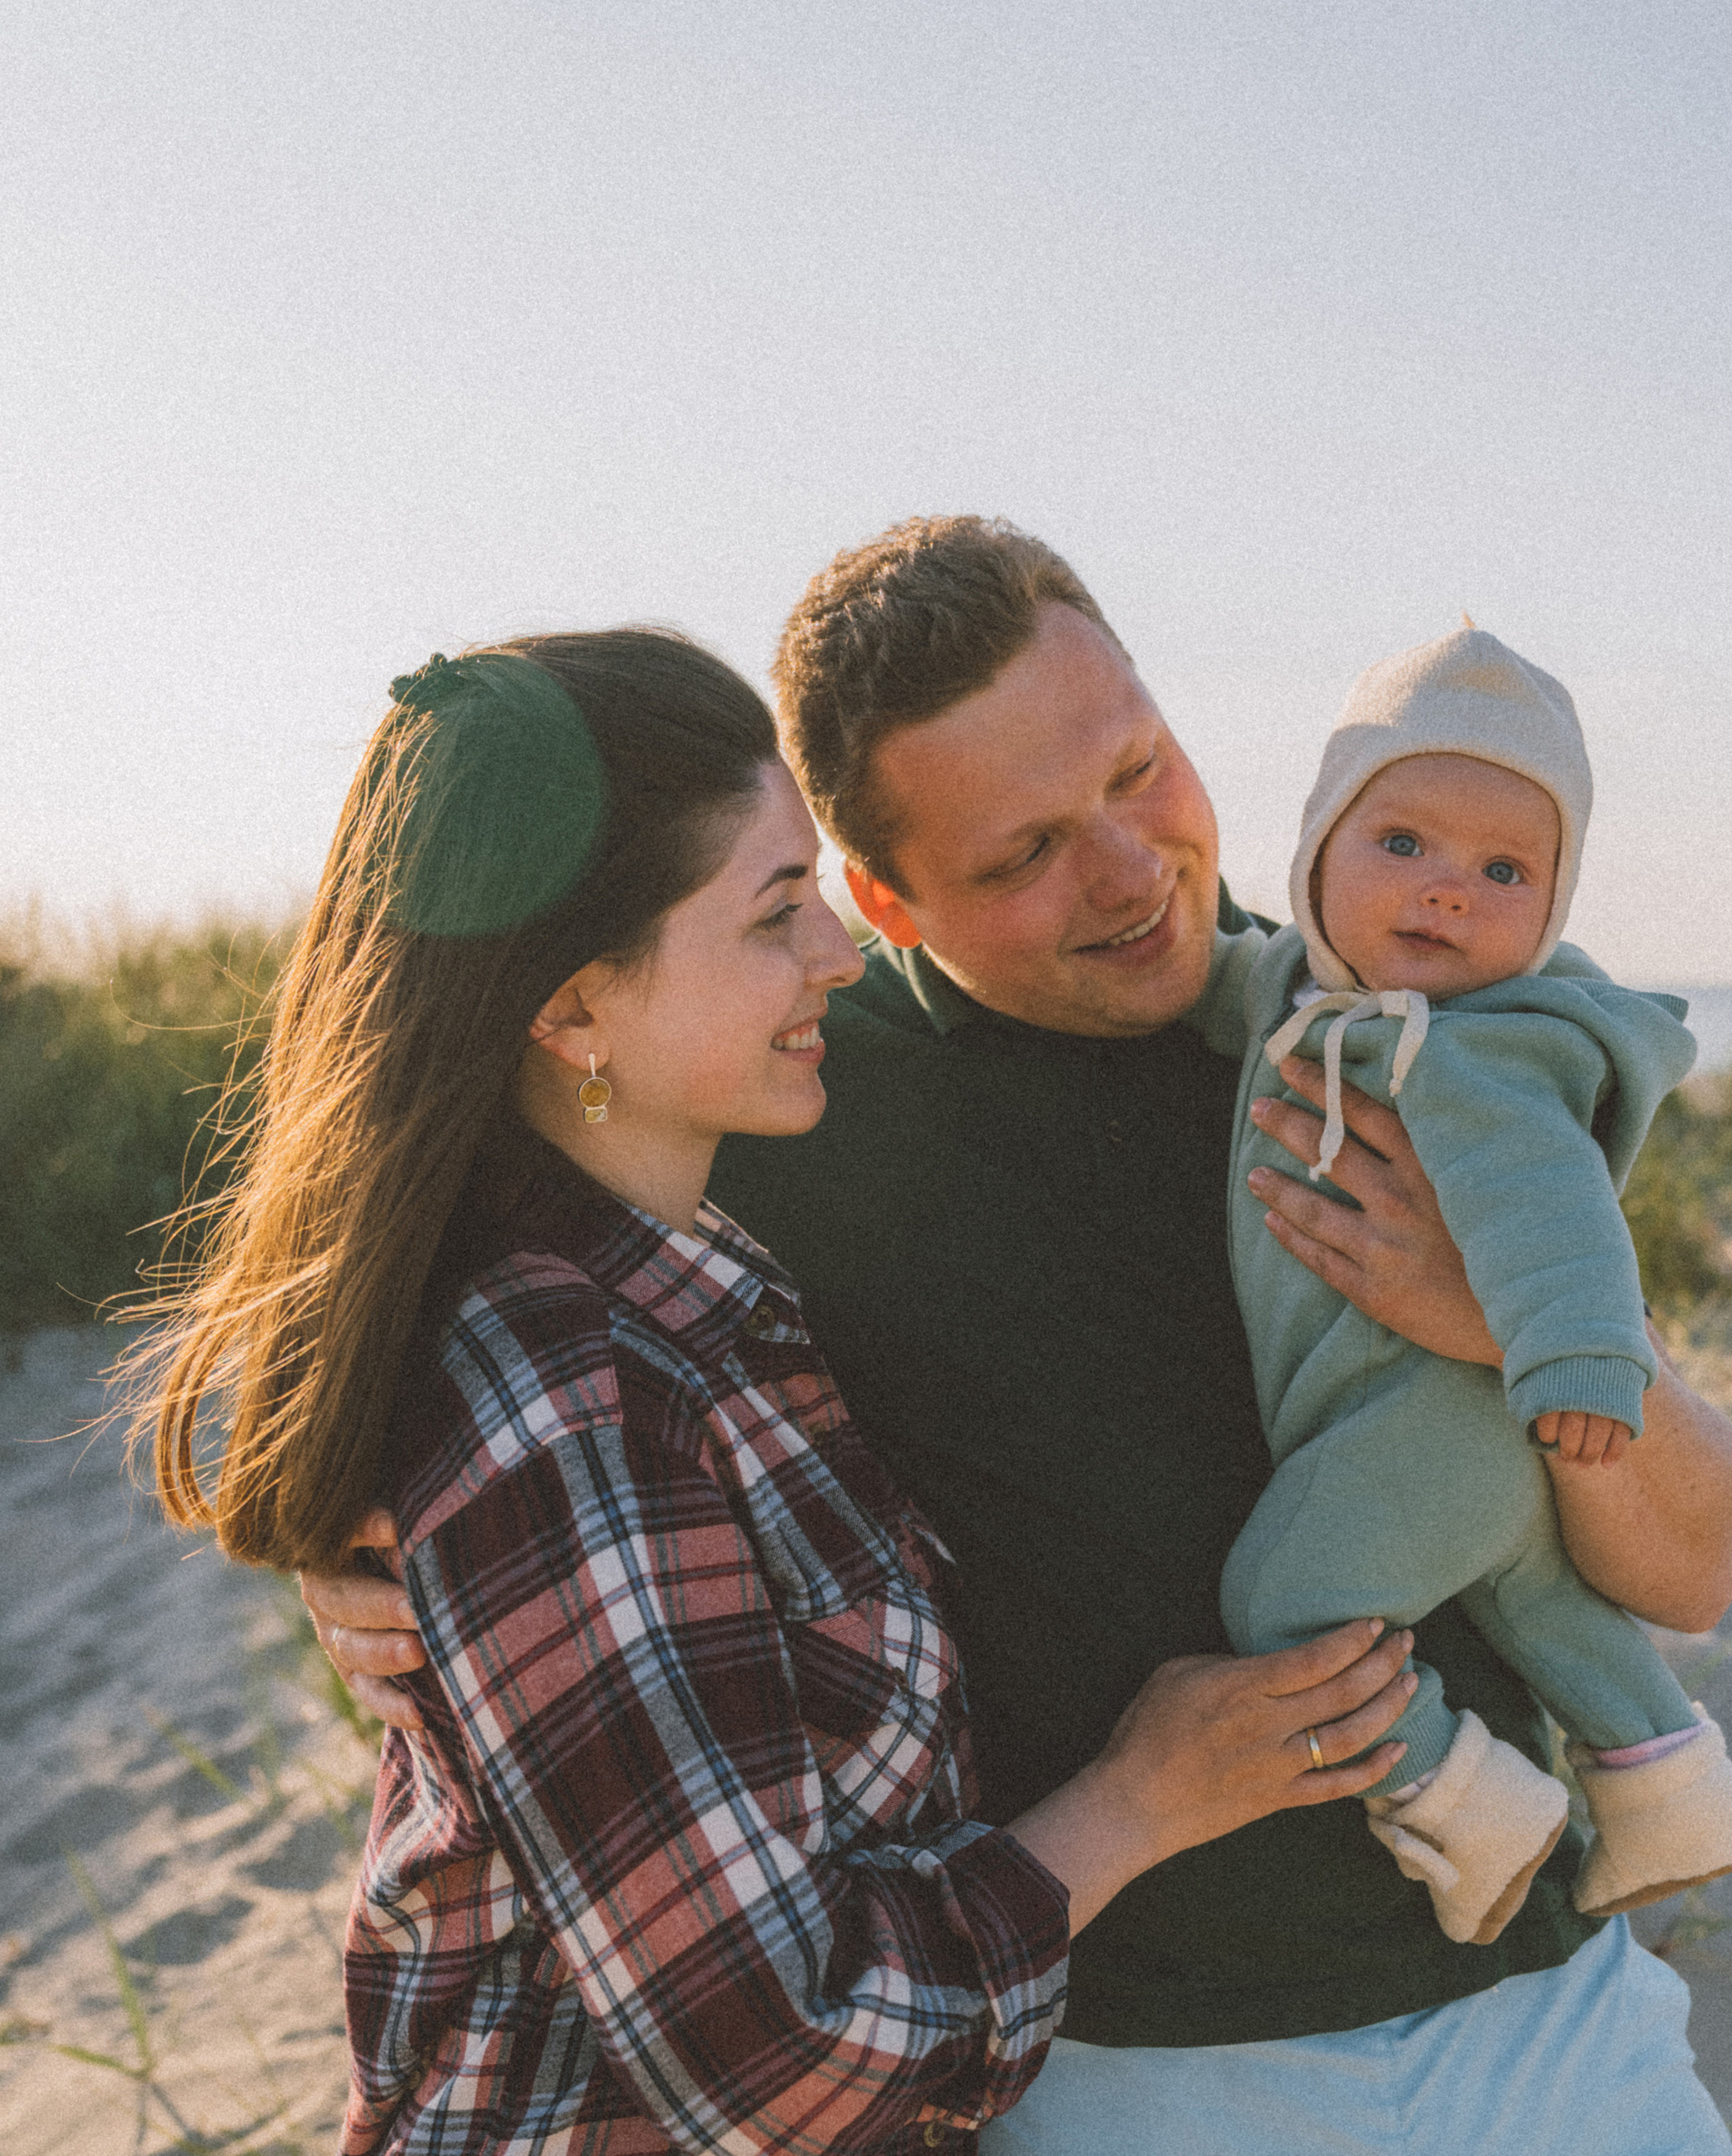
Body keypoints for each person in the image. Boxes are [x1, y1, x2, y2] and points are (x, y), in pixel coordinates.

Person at [305, 526, 1732, 2155]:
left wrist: (1498, 1327)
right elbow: (421, 1204)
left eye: (1141, 769)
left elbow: (1693, 1567)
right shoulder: (779, 1082)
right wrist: (339, 1534)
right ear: (881, 898)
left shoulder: (1374, 1028)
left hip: (1549, 2008)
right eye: (1023, 857)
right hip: (1126, 2065)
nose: (1134, 870)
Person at [136, 630, 1418, 2155]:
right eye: (773, 916)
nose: (838, 957)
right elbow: (777, 2055)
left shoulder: (692, 1284)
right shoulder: (566, 1394)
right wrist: (1139, 1801)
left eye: (815, 892)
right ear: (571, 1012)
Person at [1196, 623, 1732, 1949]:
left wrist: (1577, 1361)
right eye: (1402, 843)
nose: (1446, 891)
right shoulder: (1292, 985)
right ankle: (1668, 1781)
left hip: (1452, 1418)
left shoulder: (1482, 1051)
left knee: (1283, 1606)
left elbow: (1553, 1210)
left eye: (1503, 870)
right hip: (1444, 1429)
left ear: (1553, 912)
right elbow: (1211, 982)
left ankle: (1464, 1801)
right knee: (1540, 1601)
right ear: (1317, 847)